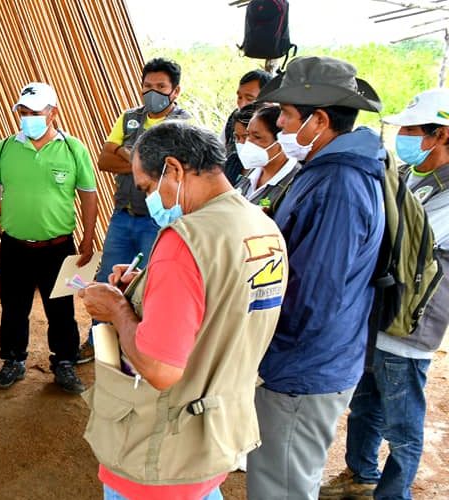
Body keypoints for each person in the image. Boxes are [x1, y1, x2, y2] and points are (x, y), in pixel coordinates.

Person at [79, 121, 287, 500]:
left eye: (145, 187)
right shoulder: (260, 225)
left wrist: (117, 310)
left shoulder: (186, 241)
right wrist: (147, 287)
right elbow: (221, 304)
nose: (147, 198)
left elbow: (160, 369)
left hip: (161, 452)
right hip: (212, 436)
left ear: (173, 169)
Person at [246, 56, 386, 499]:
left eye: (285, 115)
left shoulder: (340, 185)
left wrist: (263, 350)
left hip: (303, 367)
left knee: (282, 485)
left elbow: (313, 296)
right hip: (308, 360)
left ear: (319, 120)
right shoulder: (327, 170)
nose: (280, 125)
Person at [321, 88, 449, 500]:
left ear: (442, 134)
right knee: (366, 402)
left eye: (412, 129)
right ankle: (361, 475)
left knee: (403, 421)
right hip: (380, 312)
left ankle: (393, 495)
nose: (403, 138)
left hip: (412, 320)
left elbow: (407, 239)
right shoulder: (415, 176)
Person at [0, 82, 98, 394]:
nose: (28, 117)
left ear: (53, 113)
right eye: (24, 112)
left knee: (60, 308)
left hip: (58, 247)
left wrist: (87, 239)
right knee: (13, 307)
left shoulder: (74, 149)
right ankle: (13, 361)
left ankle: (65, 363)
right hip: (15, 246)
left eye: (36, 112)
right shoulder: (5, 148)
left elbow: (88, 196)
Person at [76, 57, 191, 364]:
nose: (152, 92)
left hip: (159, 221)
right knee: (106, 279)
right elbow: (104, 160)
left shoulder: (183, 125)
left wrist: (126, 155)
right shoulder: (129, 118)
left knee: (150, 285)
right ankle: (97, 341)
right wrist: (147, 163)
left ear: (175, 90)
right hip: (124, 215)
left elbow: (176, 171)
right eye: (147, 86)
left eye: (161, 87)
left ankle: (142, 348)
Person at [234, 103, 298, 214]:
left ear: (280, 141)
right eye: (248, 135)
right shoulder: (251, 173)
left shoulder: (294, 182)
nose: (248, 143)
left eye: (257, 137)